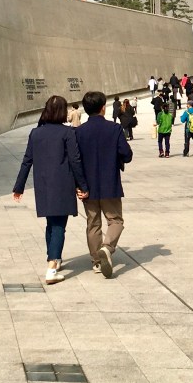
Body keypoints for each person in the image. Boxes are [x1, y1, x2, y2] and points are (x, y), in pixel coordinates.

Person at [12, 95, 89, 285]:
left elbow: (27, 161)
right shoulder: (67, 133)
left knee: (51, 223)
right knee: (58, 226)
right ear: (63, 112)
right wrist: (83, 186)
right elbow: (75, 160)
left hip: (43, 185)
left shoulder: (35, 133)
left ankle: (53, 258)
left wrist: (19, 187)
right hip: (62, 184)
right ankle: (52, 267)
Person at [75, 91, 132, 278]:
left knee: (93, 224)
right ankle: (107, 248)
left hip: (87, 186)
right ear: (102, 108)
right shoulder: (114, 129)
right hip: (110, 183)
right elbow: (127, 155)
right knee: (115, 220)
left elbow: (75, 161)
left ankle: (97, 262)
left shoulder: (78, 132)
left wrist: (78, 184)